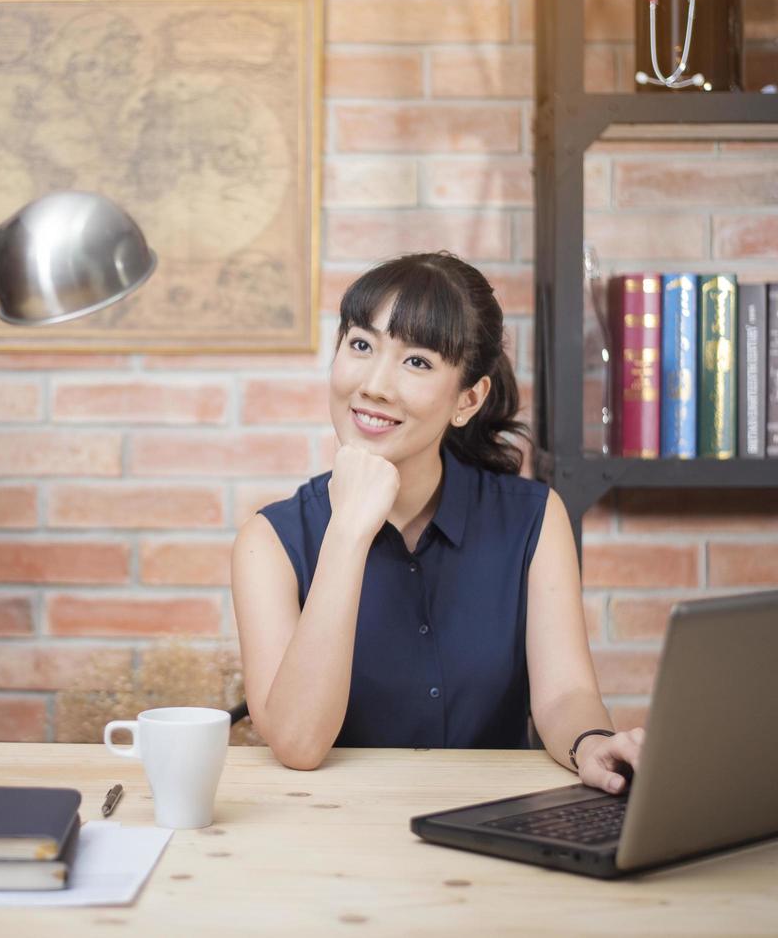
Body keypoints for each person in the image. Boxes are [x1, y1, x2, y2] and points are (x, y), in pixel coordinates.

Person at [231, 252, 644, 793]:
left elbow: (564, 693)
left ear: (468, 400)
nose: (375, 384)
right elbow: (298, 743)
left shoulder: (534, 520)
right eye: (361, 345)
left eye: (418, 362)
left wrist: (591, 744)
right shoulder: (270, 542)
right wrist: (349, 531)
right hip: (333, 838)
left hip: (492, 830)